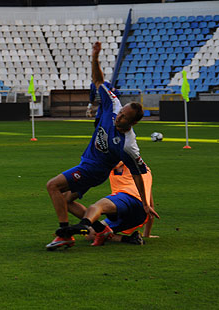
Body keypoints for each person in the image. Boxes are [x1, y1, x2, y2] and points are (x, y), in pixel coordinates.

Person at [46, 42, 158, 249]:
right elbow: (98, 81)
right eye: (121, 113)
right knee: (65, 200)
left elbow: (138, 174)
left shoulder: (128, 145)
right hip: (88, 163)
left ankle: (64, 234)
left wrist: (144, 203)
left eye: (124, 118)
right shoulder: (113, 106)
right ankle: (103, 230)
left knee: (52, 185)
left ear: (133, 123)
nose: (119, 118)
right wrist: (95, 58)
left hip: (92, 170)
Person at [46, 162, 159, 250]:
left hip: (129, 199)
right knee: (90, 234)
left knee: (97, 206)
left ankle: (83, 225)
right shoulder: (143, 169)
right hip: (136, 214)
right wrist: (147, 234)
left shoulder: (131, 167)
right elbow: (150, 204)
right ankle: (129, 239)